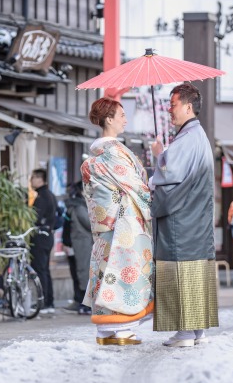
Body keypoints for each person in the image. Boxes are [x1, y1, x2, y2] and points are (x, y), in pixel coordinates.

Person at [149, 82, 218, 347]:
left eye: (173, 104)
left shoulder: (188, 138)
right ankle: (197, 330)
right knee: (195, 269)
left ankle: (186, 331)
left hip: (182, 219)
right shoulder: (196, 136)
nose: (169, 109)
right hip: (195, 218)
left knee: (180, 269)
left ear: (188, 107)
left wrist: (159, 155)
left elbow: (170, 174)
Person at [81, 97, 154, 345]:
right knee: (124, 273)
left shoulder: (102, 153)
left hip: (107, 227)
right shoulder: (113, 152)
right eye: (121, 115)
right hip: (124, 224)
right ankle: (122, 328)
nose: (125, 119)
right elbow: (136, 186)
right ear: (108, 119)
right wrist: (153, 183)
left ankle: (105, 331)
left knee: (105, 273)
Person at [30, 168, 57, 314]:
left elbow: (34, 218)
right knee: (45, 269)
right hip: (49, 235)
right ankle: (49, 302)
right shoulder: (50, 195)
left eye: (33, 177)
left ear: (41, 179)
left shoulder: (41, 197)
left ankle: (44, 303)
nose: (31, 180)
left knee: (40, 270)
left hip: (40, 236)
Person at [62, 182, 93, 315]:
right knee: (81, 273)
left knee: (80, 273)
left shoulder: (76, 205)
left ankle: (82, 302)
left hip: (78, 244)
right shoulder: (80, 207)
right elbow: (90, 224)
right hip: (80, 244)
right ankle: (83, 303)